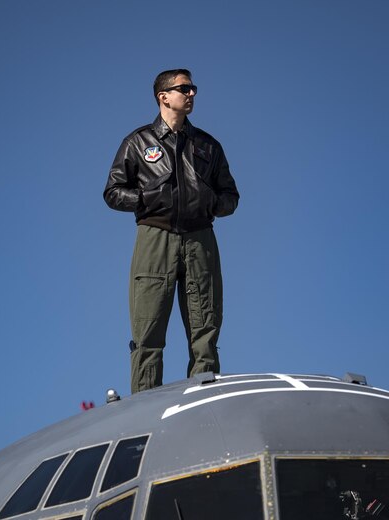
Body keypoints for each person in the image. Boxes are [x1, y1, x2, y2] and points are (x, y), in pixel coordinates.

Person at [104, 69, 239, 393]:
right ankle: (145, 408)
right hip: (155, 238)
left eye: (193, 88)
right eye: (184, 88)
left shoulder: (208, 146)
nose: (192, 94)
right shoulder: (138, 142)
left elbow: (231, 197)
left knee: (205, 332)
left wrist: (209, 202)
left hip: (200, 239)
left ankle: (203, 401)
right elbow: (113, 192)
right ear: (163, 97)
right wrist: (147, 198)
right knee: (148, 332)